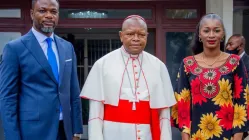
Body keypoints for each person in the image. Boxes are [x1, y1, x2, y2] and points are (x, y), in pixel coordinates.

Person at [80, 15, 176, 140]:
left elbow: (164, 114)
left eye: (141, 35)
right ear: (121, 35)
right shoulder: (102, 64)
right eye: (130, 34)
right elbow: (95, 114)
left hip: (148, 134)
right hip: (113, 133)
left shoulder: (158, 66)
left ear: (147, 36)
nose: (136, 39)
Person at [0, 0, 83, 139]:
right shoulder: (15, 49)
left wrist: (77, 129)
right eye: (43, 11)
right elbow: (7, 98)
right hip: (32, 132)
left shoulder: (67, 47)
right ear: (32, 14)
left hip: (65, 130)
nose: (49, 15)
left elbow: (73, 91)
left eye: (53, 11)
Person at [172, 13, 249, 140]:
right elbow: (182, 104)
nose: (212, 35)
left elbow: (242, 102)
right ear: (200, 35)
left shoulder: (235, 62)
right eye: (206, 31)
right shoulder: (188, 64)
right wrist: (185, 137)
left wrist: (237, 137)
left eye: (217, 30)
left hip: (227, 135)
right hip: (196, 135)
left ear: (223, 34)